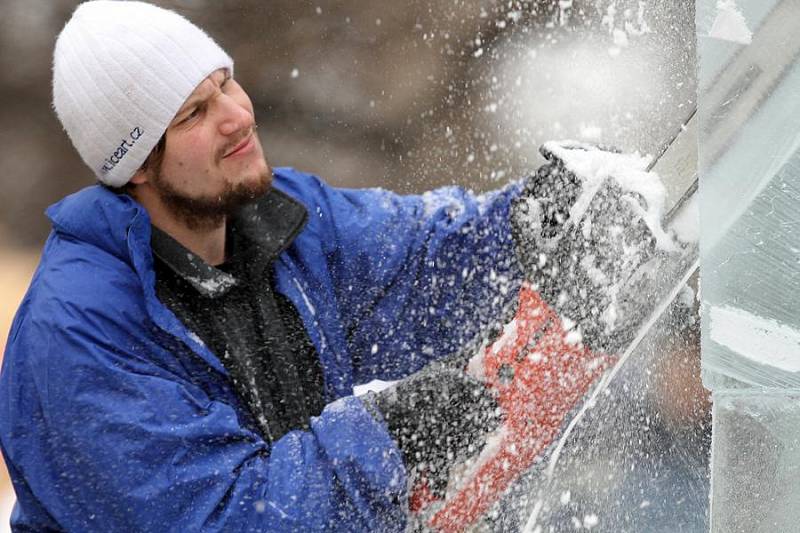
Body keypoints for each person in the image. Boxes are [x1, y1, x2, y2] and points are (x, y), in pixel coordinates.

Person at [0, 1, 526, 531]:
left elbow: (424, 265)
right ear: (135, 164)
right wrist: (389, 438)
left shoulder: (280, 220)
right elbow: (224, 518)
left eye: (225, 83)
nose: (238, 116)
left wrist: (531, 221)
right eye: (194, 113)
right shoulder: (78, 334)